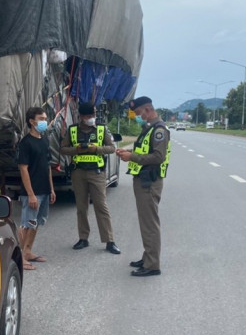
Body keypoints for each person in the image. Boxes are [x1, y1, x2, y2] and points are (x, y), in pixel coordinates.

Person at [116, 96, 171, 277]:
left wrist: (131, 157)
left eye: (139, 113)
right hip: (143, 179)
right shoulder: (149, 128)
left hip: (149, 181)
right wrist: (129, 152)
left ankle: (152, 265)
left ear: (147, 110)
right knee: (145, 222)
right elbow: (144, 151)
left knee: (150, 224)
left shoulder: (159, 130)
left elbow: (158, 157)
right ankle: (147, 257)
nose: (137, 117)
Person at [60, 101, 121, 254]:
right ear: (81, 116)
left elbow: (112, 148)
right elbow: (63, 149)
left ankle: (109, 241)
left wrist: (96, 149)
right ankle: (83, 238)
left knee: (101, 206)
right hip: (78, 173)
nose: (91, 118)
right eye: (88, 115)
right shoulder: (72, 130)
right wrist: (77, 149)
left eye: (93, 115)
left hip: (97, 173)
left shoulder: (101, 129)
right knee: (81, 207)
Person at [17, 106, 56, 270]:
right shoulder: (25, 143)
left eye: (45, 119)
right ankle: (19, 257)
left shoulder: (44, 140)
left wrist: (51, 189)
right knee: (27, 224)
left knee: (36, 223)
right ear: (32, 121)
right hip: (32, 192)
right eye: (41, 119)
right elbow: (23, 168)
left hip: (44, 189)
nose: (44, 122)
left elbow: (47, 166)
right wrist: (31, 194)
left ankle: (28, 252)